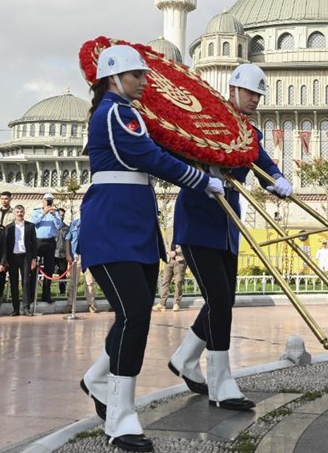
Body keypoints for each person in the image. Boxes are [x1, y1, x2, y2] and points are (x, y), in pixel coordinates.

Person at [78, 44, 223, 452]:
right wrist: (199, 178)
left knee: (133, 313)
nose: (145, 81)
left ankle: (98, 379)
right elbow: (149, 156)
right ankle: (122, 418)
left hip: (133, 227)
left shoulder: (129, 113)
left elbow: (156, 152)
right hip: (112, 228)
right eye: (137, 75)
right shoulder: (116, 113)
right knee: (135, 313)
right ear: (114, 78)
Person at [169, 62, 290, 411]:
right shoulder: (204, 119)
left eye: (258, 95)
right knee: (219, 298)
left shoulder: (250, 134)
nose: (255, 99)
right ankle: (221, 382)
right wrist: (202, 175)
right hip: (197, 218)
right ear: (233, 90)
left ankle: (185, 358)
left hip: (226, 226)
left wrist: (278, 179)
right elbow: (175, 155)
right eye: (250, 92)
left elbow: (262, 162)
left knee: (223, 298)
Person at [4, 204, 38, 316]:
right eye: (17, 212)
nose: (19, 214)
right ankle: (16, 309)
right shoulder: (9, 227)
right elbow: (6, 245)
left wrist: (34, 259)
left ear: (24, 213)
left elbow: (34, 244)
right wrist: (5, 260)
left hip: (25, 257)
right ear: (14, 213)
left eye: (21, 212)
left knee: (26, 282)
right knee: (13, 283)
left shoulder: (30, 226)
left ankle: (26, 308)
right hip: (13, 257)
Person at [63, 213, 100, 314]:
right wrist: (68, 254)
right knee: (73, 281)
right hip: (76, 256)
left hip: (89, 256)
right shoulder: (74, 223)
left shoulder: (93, 223)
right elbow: (67, 239)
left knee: (90, 281)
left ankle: (91, 304)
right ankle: (70, 304)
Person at [31, 195, 65, 304]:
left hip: (50, 242)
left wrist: (54, 215)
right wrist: (43, 213)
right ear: (43, 201)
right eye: (47, 201)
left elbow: (59, 226)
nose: (48, 203)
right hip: (38, 241)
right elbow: (33, 223)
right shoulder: (37, 211)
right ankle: (32, 294)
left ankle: (46, 294)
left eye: (50, 201)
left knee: (49, 269)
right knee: (34, 268)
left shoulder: (56, 213)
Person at [154, 242, 187, 312]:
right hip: (168, 260)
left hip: (180, 260)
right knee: (165, 282)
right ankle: (162, 304)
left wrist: (175, 252)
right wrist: (168, 252)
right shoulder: (168, 231)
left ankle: (176, 303)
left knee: (178, 282)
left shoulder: (181, 231)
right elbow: (164, 243)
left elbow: (185, 244)